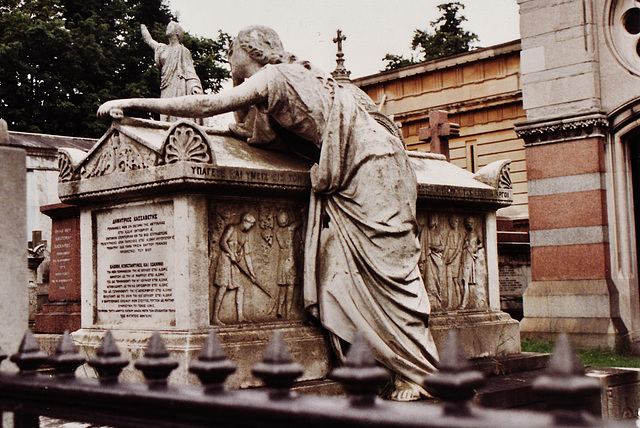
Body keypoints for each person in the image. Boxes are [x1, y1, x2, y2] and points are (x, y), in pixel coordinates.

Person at [98, 25, 438, 400]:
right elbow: (257, 128)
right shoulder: (299, 77)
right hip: (362, 169)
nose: (229, 62)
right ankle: (379, 362)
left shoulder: (275, 76)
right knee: (339, 270)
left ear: (249, 51)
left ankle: (418, 372)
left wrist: (134, 104)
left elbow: (207, 105)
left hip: (369, 170)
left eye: (231, 54)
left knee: (386, 271)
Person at [141, 22, 203, 122]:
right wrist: (142, 24)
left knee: (178, 113)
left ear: (177, 32)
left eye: (170, 26)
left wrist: (195, 87)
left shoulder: (183, 51)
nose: (167, 27)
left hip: (179, 84)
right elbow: (148, 40)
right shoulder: (163, 48)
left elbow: (190, 71)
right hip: (166, 86)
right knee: (165, 113)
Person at [212, 213, 258, 325]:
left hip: (234, 263)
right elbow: (222, 241)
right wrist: (230, 252)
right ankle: (214, 317)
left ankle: (240, 316)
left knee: (241, 287)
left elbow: (247, 255)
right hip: (225, 260)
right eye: (251, 224)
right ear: (245, 221)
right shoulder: (232, 228)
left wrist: (252, 274)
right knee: (223, 286)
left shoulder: (245, 236)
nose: (251, 226)